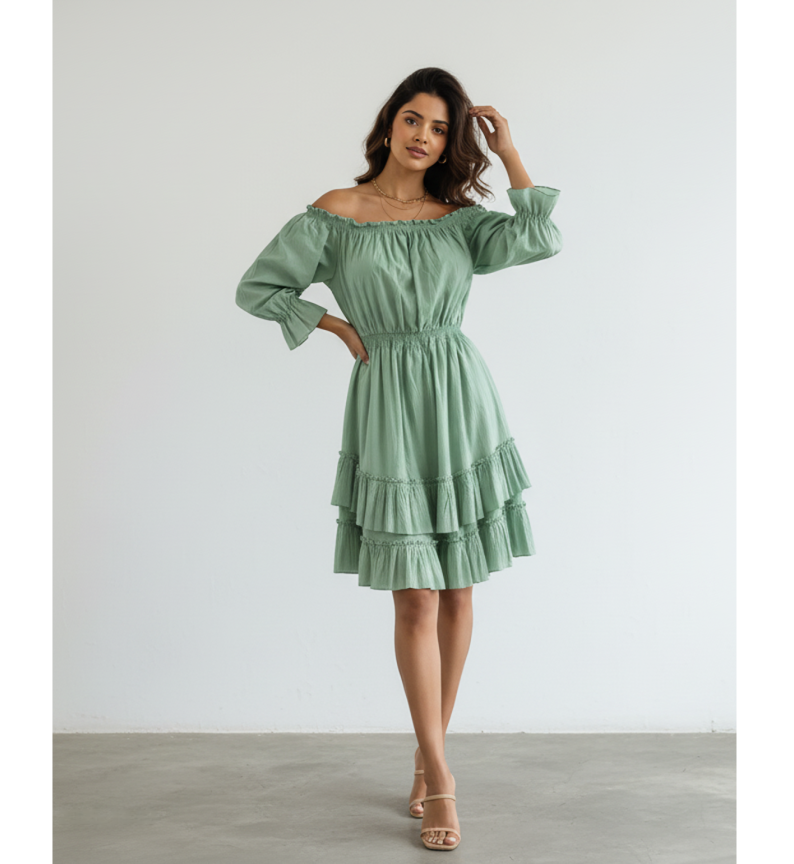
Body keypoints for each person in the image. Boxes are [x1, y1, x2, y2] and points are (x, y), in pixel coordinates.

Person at [234, 67, 563, 851]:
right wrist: (338, 327)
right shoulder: (335, 215)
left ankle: (428, 754)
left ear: (454, 141)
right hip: (387, 402)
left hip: (459, 399)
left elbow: (541, 236)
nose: (425, 136)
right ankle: (443, 780)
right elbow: (257, 287)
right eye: (414, 119)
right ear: (388, 124)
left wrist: (510, 153)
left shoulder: (457, 220)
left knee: (457, 590)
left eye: (443, 128)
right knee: (413, 596)